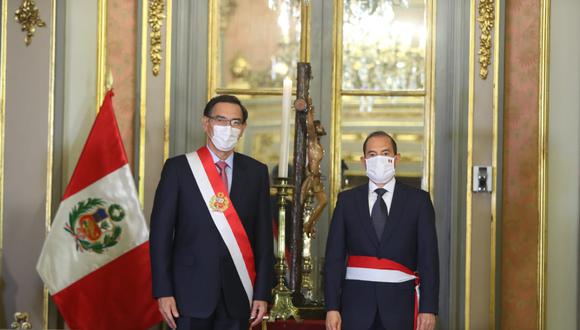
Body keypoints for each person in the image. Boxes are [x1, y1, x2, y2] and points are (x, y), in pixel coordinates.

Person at [150, 95, 274, 330]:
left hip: (239, 292)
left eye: (235, 122)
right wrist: (163, 291)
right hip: (188, 294)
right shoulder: (178, 169)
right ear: (206, 123)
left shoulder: (256, 173)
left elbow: (264, 240)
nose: (228, 128)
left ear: (243, 129)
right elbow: (160, 236)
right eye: (221, 120)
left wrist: (262, 293)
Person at [324, 131, 439, 330]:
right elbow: (334, 258)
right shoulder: (347, 201)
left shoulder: (418, 201)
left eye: (385, 154)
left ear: (396, 159)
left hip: (400, 307)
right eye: (372, 154)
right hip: (355, 307)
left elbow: (429, 259)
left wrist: (428, 308)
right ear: (363, 161)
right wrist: (332, 307)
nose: (379, 160)